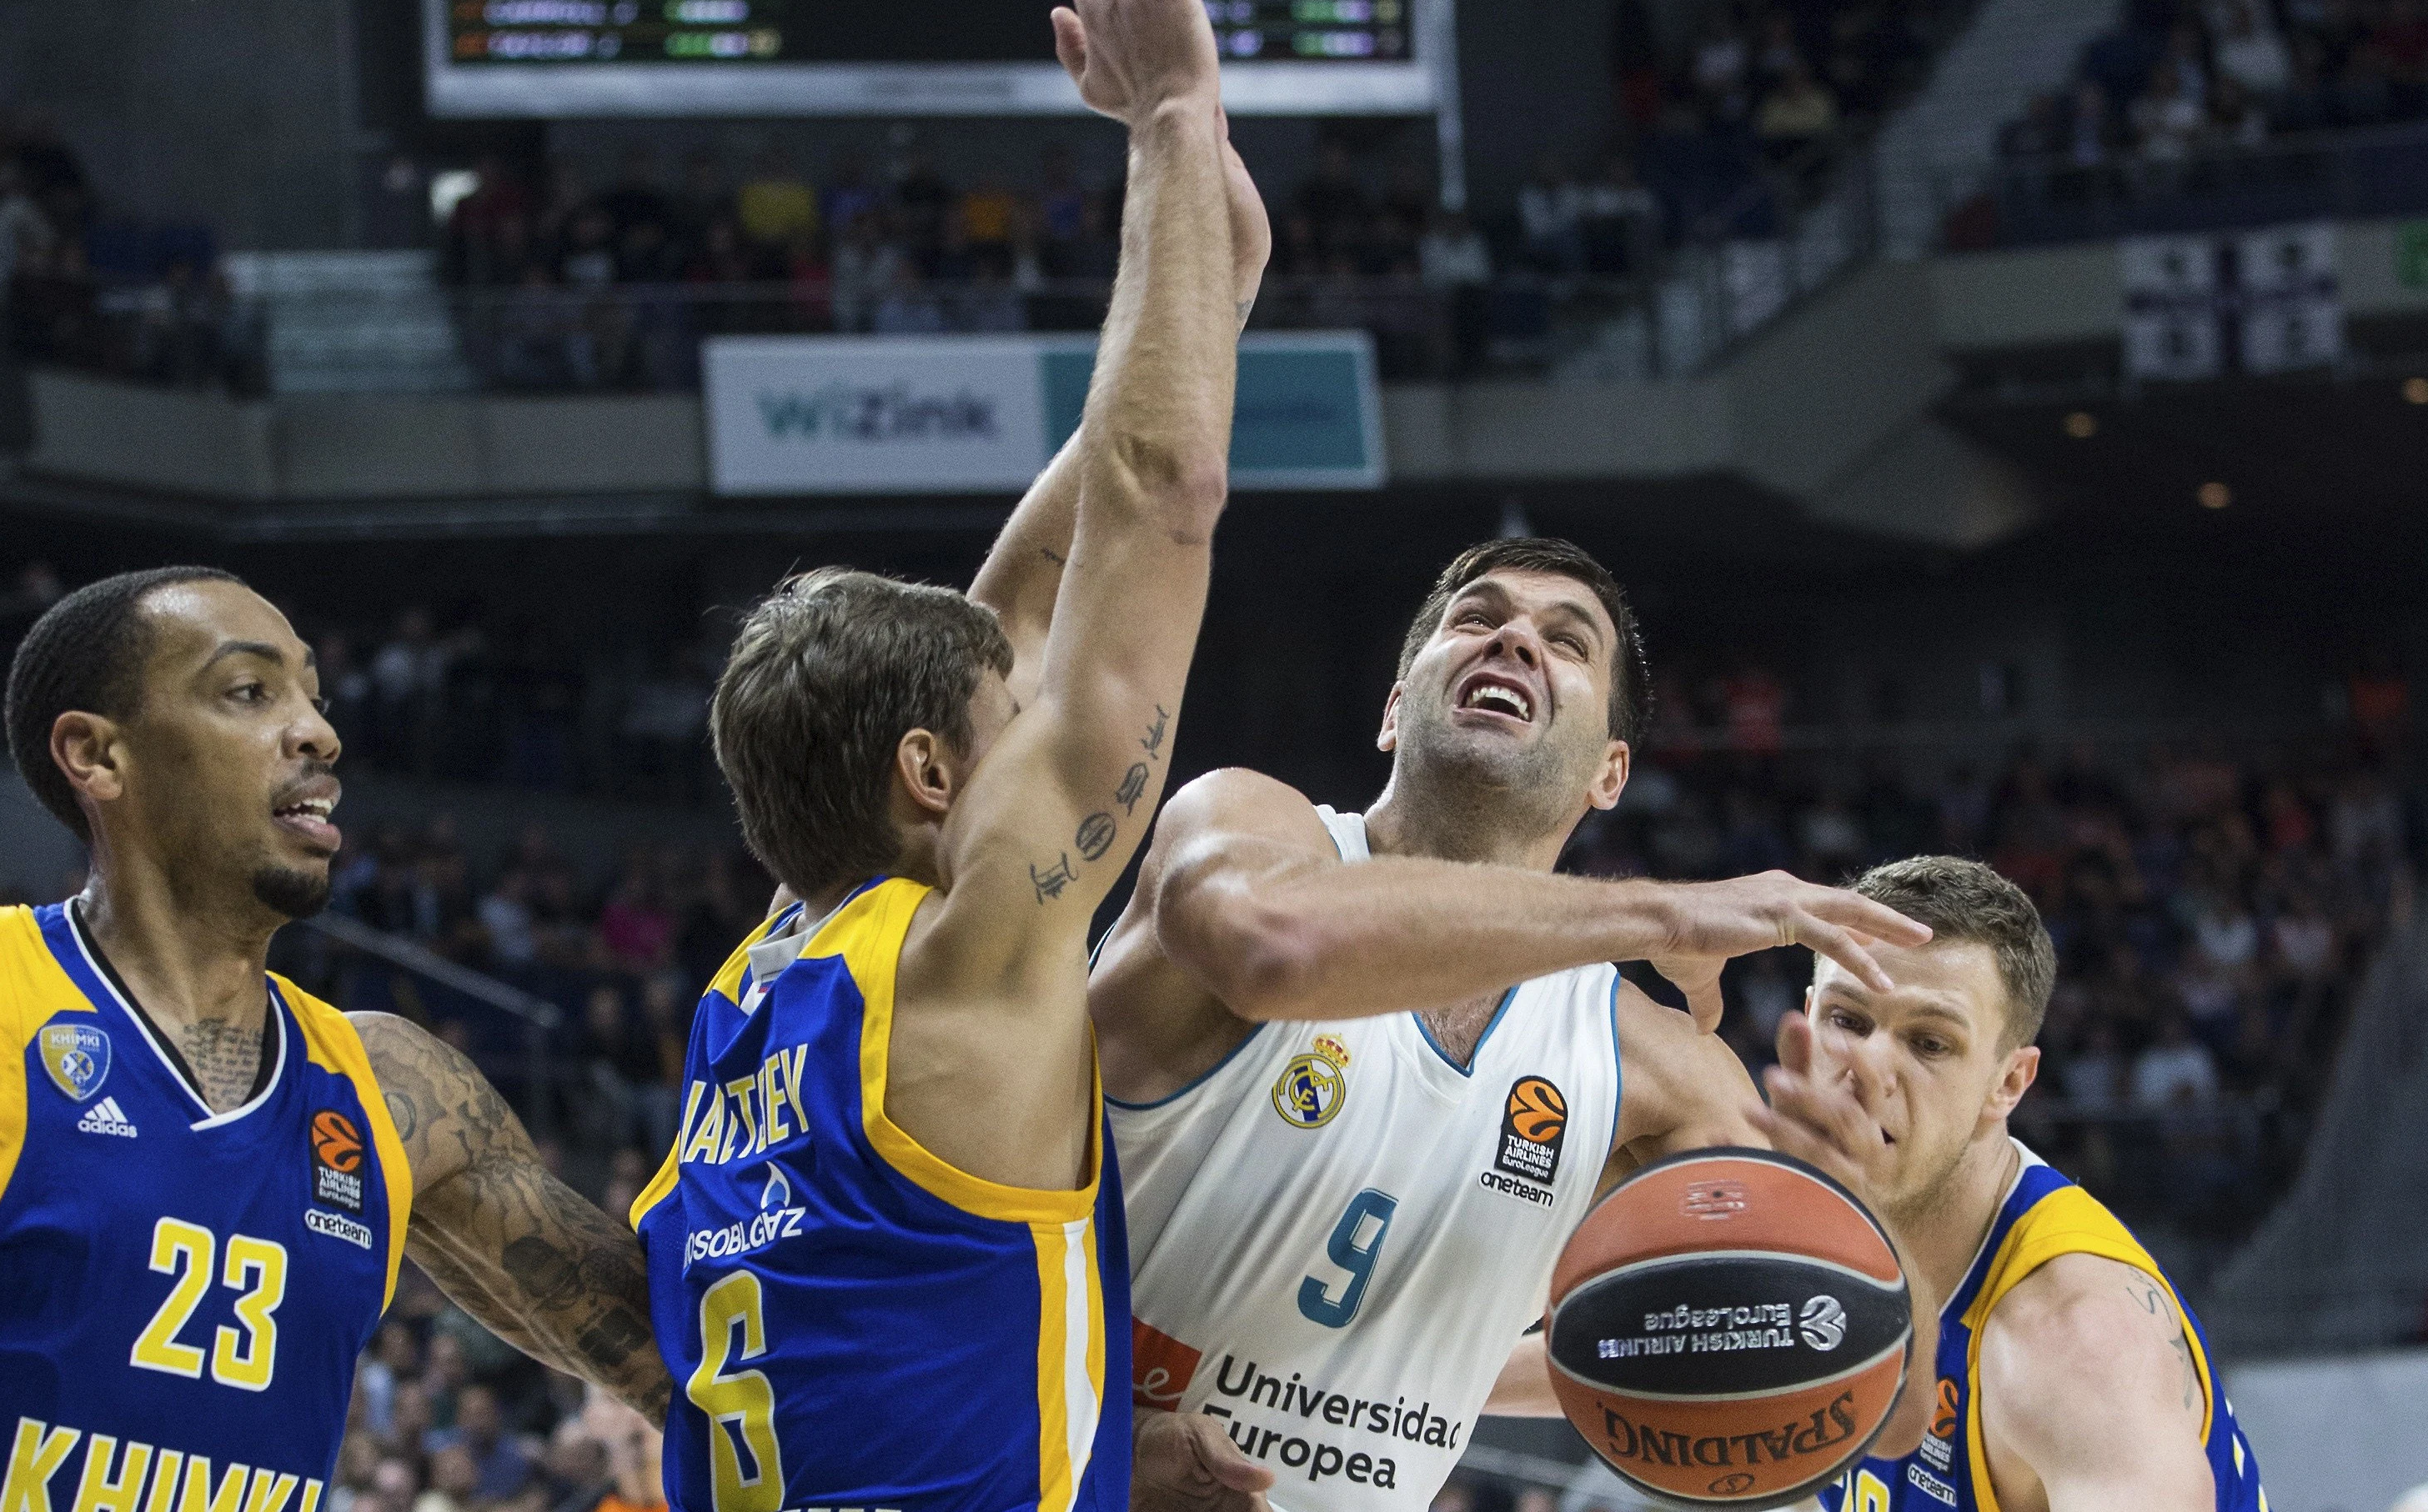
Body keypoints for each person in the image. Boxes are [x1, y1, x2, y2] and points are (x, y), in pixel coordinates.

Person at [627, 1, 1269, 1509]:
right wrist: (1174, 107)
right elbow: (1162, 495)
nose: (1042, 724)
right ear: (930, 774)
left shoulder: (767, 988)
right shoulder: (963, 957)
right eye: (1014, 729)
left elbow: (1006, 614)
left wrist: (1205, 293)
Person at [1091, 536, 1939, 1512]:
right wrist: (1667, 911)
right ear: (1394, 708)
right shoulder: (1244, 823)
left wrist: (1865, 1216)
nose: (1514, 640)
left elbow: (1883, 1410)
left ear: (1609, 773)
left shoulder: (1651, 1064)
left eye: (1566, 640)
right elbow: (1275, 948)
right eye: (1475, 617)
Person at [0, 567, 669, 1503]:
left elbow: (684, 1368)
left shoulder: (401, 1094)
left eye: (315, 698)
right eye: (249, 691)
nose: (321, 732)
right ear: (98, 755)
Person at [1782, 856, 2266, 1512]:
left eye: (1928, 1043)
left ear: (2008, 1083)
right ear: (1807, 1020)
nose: (1869, 1068)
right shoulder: (1794, 1227)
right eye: (1848, 1020)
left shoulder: (2076, 1351)